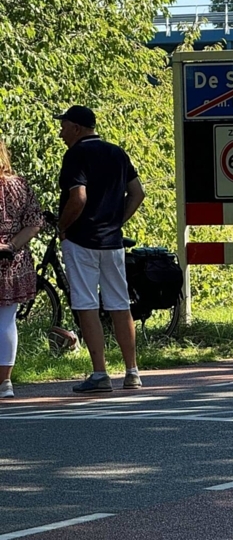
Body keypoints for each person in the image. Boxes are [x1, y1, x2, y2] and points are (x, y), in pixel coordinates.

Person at [55, 105, 146, 392]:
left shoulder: (76, 154)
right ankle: (132, 371)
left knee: (86, 304)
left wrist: (62, 226)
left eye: (64, 126)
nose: (61, 133)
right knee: (120, 304)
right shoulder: (117, 152)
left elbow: (78, 197)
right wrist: (117, 220)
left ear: (78, 128)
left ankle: (100, 373)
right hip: (112, 241)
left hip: (82, 240)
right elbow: (138, 193)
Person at [0, 138, 45, 399]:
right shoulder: (20, 186)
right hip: (12, 262)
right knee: (6, 320)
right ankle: (5, 382)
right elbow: (35, 222)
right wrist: (11, 246)